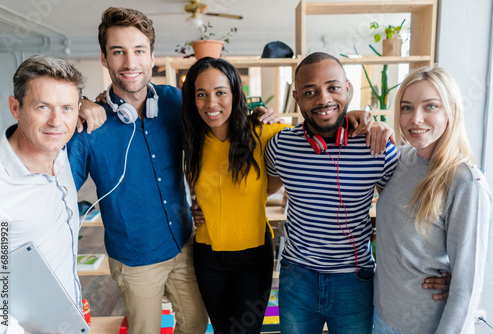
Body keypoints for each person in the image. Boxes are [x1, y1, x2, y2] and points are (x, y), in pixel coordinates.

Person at [264, 52, 450, 334]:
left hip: (355, 279)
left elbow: (410, 213)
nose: (324, 99)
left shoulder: (377, 146)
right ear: (297, 97)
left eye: (333, 88)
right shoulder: (280, 147)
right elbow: (258, 188)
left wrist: (445, 269)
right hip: (296, 277)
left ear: (348, 89)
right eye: (310, 91)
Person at [67, 7, 209, 333]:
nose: (130, 63)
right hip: (135, 259)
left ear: (152, 55)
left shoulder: (176, 101)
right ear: (104, 58)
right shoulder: (88, 126)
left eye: (139, 50)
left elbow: (222, 128)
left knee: (197, 325)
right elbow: (57, 190)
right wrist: (76, 103)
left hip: (184, 243)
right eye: (119, 52)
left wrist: (261, 119)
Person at [373, 66, 492, 334]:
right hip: (380, 318)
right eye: (406, 108)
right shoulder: (398, 160)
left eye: (430, 107)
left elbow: (467, 287)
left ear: (450, 111)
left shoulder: (465, 182)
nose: (416, 119)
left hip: (428, 326)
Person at [180, 57, 289, 334]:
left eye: (220, 92)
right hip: (208, 255)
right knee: (221, 331)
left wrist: (359, 120)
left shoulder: (263, 131)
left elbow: (315, 136)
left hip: (253, 255)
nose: (211, 103)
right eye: (201, 94)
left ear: (235, 93)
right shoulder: (190, 138)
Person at [0, 55, 85, 334]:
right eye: (42, 106)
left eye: (67, 108)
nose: (56, 121)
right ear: (15, 107)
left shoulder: (60, 154)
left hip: (71, 320)